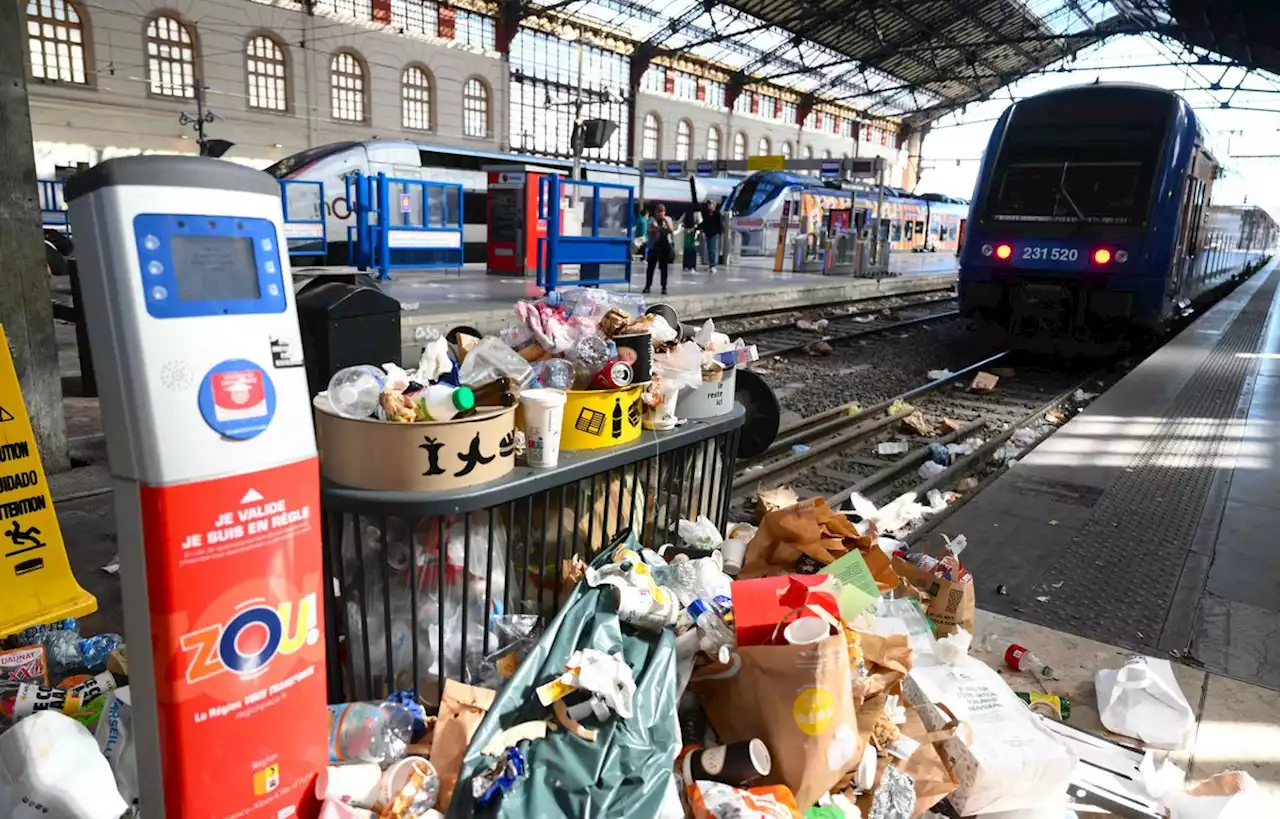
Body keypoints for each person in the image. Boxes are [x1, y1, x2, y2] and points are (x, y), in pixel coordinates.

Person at [644, 203, 675, 295]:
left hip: (664, 248)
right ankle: (647, 286)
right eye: (658, 212)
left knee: (664, 268)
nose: (660, 214)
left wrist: (665, 221)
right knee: (650, 267)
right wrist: (657, 229)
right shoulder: (652, 220)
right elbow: (649, 231)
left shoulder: (668, 219)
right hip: (654, 246)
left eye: (662, 212)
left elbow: (671, 230)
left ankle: (664, 287)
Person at [699, 199, 723, 273]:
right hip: (708, 233)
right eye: (708, 204)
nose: (709, 206)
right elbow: (704, 223)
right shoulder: (706, 213)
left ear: (714, 205)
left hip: (714, 234)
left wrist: (719, 232)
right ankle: (710, 265)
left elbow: (720, 224)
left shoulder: (717, 214)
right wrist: (698, 228)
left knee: (713, 249)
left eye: (710, 204)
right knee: (709, 250)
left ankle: (713, 265)